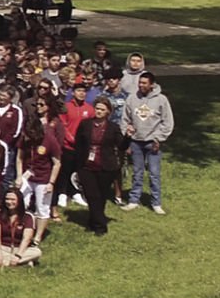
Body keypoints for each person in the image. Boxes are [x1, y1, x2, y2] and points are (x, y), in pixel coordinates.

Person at [120, 71, 174, 214]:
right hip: (135, 142)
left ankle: (156, 203)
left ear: (152, 85)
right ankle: (133, 200)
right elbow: (124, 119)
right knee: (137, 173)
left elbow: (167, 122)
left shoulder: (161, 99)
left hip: (152, 143)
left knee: (154, 174)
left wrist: (159, 138)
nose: (141, 85)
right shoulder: (132, 98)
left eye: (144, 83)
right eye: (140, 82)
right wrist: (127, 133)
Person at [72, 98, 121, 235]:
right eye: (97, 108)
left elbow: (122, 145)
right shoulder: (85, 124)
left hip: (106, 166)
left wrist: (128, 136)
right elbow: (79, 144)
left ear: (108, 112)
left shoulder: (113, 127)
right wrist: (78, 165)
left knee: (101, 196)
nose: (99, 111)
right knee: (92, 195)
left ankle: (93, 221)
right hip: (87, 166)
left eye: (102, 109)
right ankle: (101, 226)